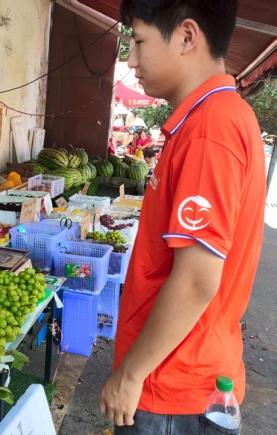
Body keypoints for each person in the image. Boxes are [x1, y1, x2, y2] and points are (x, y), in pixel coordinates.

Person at [99, 1, 266, 434]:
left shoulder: (209, 130)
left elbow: (196, 279)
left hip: (173, 392)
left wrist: (131, 374)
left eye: (138, 41)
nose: (131, 60)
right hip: (188, 377)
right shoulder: (215, 118)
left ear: (187, 36)